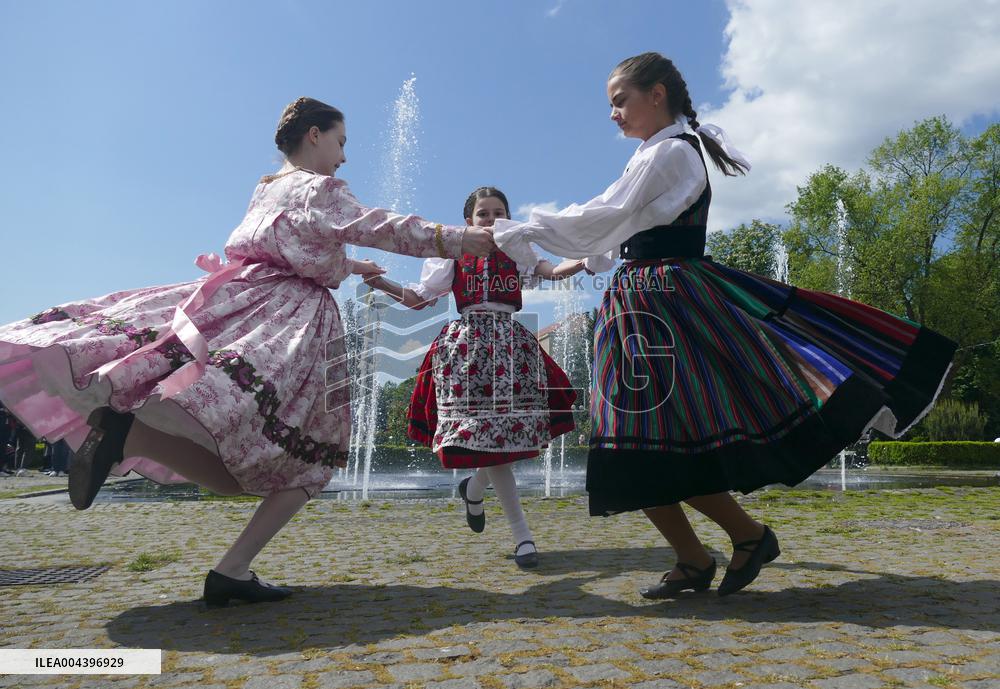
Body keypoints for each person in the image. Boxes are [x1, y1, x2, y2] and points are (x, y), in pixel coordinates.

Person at [493, 52, 957, 597]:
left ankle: (733, 542)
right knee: (638, 441)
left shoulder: (669, 153)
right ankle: (710, 550)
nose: (613, 114)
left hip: (667, 307)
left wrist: (520, 230)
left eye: (620, 101)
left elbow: (604, 216)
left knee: (647, 437)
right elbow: (616, 231)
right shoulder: (655, 155)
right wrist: (551, 258)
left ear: (657, 94)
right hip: (643, 303)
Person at [0, 97, 496, 606]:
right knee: (314, 458)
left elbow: (293, 247)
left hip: (243, 296)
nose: (344, 157)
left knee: (244, 440)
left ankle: (133, 438)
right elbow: (380, 225)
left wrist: (353, 268)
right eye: (341, 142)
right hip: (292, 320)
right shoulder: (322, 188)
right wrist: (457, 239)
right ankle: (230, 566)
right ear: (315, 135)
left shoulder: (268, 188)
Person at [362, 186, 587, 568]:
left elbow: (550, 272)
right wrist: (382, 283)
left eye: (499, 213)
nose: (492, 219)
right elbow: (419, 298)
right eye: (484, 213)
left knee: (503, 438)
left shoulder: (517, 249)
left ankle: (475, 488)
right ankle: (523, 536)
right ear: (469, 220)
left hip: (511, 348)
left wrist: (582, 261)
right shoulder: (452, 251)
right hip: (468, 351)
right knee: (492, 440)